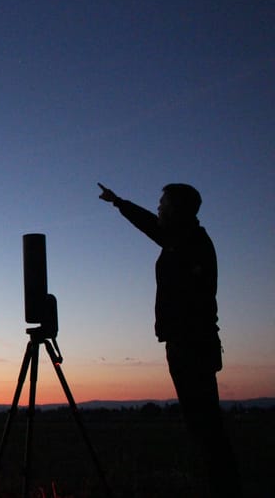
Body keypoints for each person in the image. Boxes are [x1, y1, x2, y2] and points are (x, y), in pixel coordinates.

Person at [98, 182, 240, 497]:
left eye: (163, 204)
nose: (159, 208)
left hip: (192, 346)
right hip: (186, 344)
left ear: (177, 209)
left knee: (206, 427)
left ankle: (225, 487)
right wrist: (119, 203)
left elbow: (195, 298)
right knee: (203, 427)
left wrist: (181, 332)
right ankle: (221, 484)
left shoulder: (191, 243)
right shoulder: (182, 239)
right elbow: (151, 224)